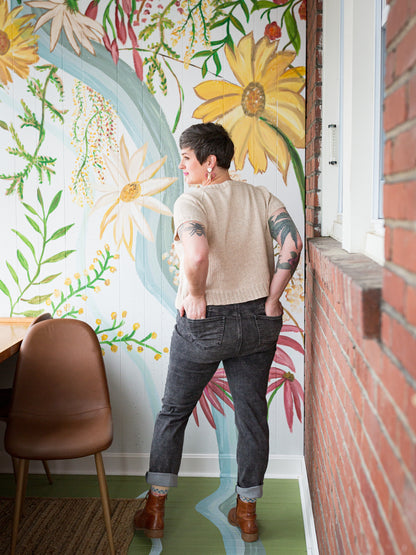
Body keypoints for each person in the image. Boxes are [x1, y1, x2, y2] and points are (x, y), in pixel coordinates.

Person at [134, 122, 303, 543]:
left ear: (210, 162)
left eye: (187, 158)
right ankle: (247, 514)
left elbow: (195, 251)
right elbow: (292, 245)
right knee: (251, 415)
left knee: (173, 412)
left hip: (204, 323)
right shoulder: (260, 196)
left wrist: (194, 293)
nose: (182, 165)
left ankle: (154, 510)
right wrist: (271, 299)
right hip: (258, 321)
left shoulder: (192, 200)